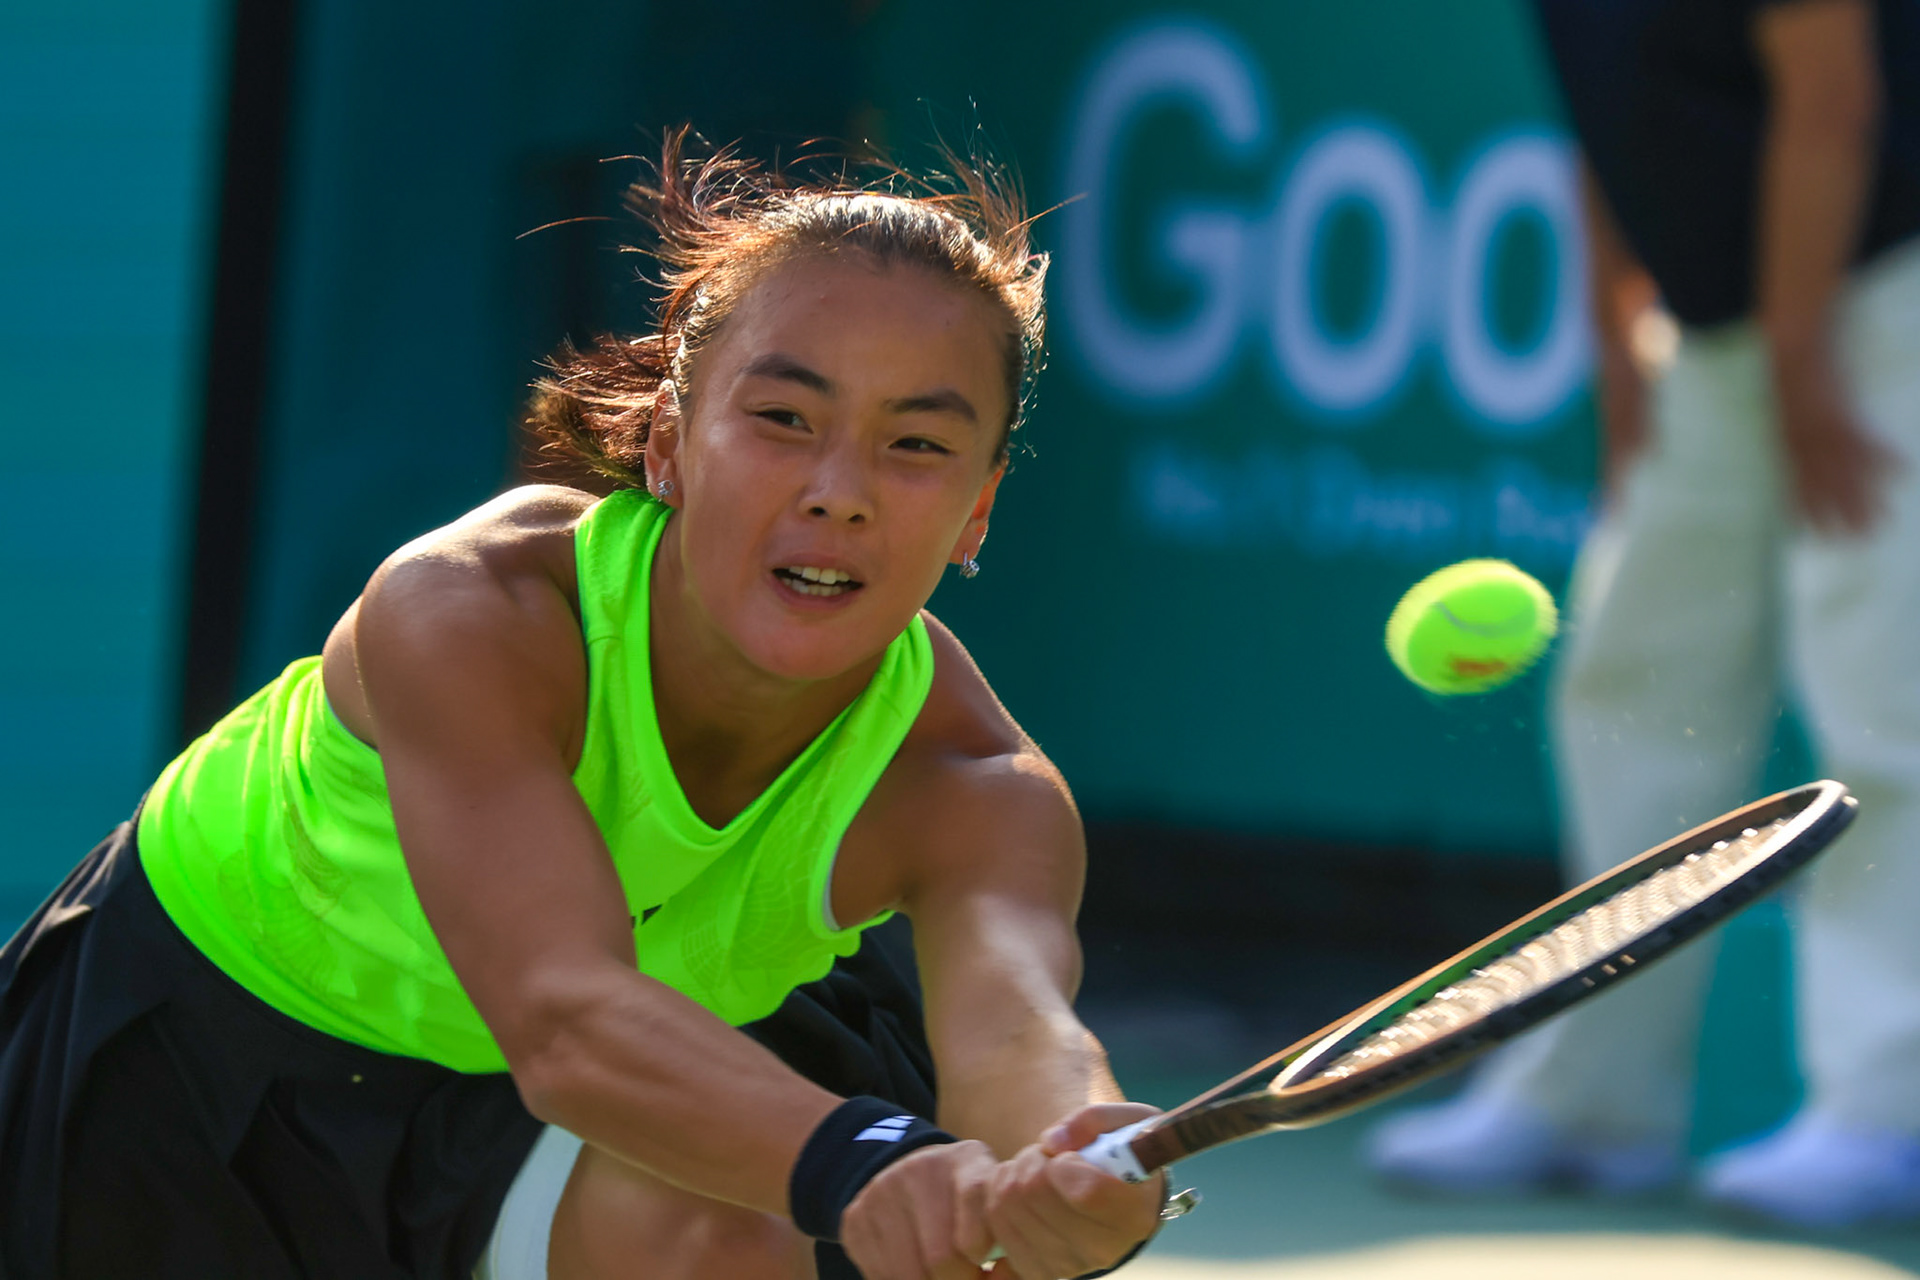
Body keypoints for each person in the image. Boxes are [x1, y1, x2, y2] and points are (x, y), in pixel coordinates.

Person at [0, 133, 1178, 1279]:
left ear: (977, 511)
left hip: (571, 1108)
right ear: (669, 441)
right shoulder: (472, 608)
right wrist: (865, 1158)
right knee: (814, 1156)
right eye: (782, 419)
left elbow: (1020, 1033)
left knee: (722, 1228)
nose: (841, 494)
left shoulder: (977, 788)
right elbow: (567, 1018)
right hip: (193, 1065)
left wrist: (1076, 1159)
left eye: (916, 443)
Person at [1367, 0, 1920, 1228]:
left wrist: (1797, 361)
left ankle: (1888, 1112)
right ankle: (1592, 1097)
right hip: (1725, 319)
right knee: (1631, 685)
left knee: (1890, 703)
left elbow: (1834, 102)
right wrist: (1618, 330)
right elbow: (1615, 121)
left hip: (1885, 296)